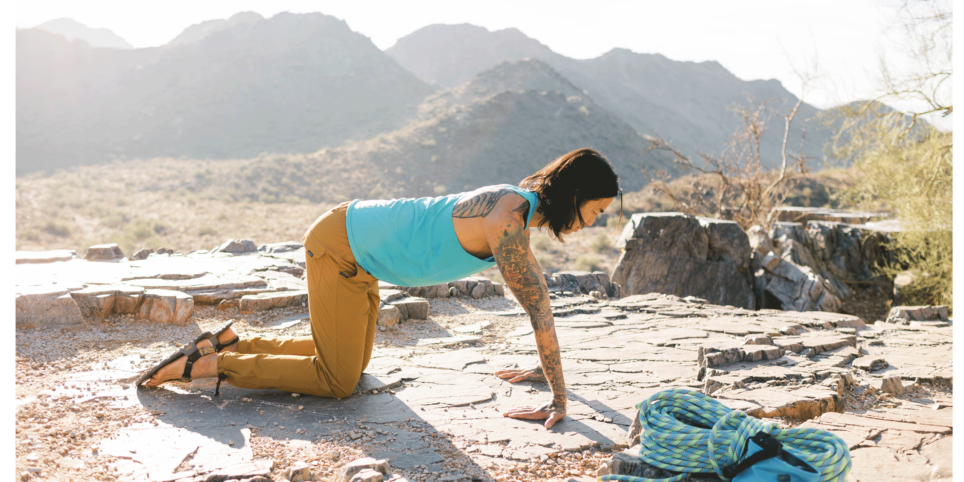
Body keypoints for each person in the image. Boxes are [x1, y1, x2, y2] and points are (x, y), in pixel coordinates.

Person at [138, 148, 621, 429]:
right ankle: (208, 365)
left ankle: (231, 341)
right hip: (340, 246)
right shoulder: (509, 219)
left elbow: (535, 296)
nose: (592, 223)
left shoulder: (519, 209)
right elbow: (539, 307)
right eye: (596, 211)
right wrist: (559, 400)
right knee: (338, 380)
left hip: (359, 248)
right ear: (576, 197)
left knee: (353, 361)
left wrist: (544, 371)